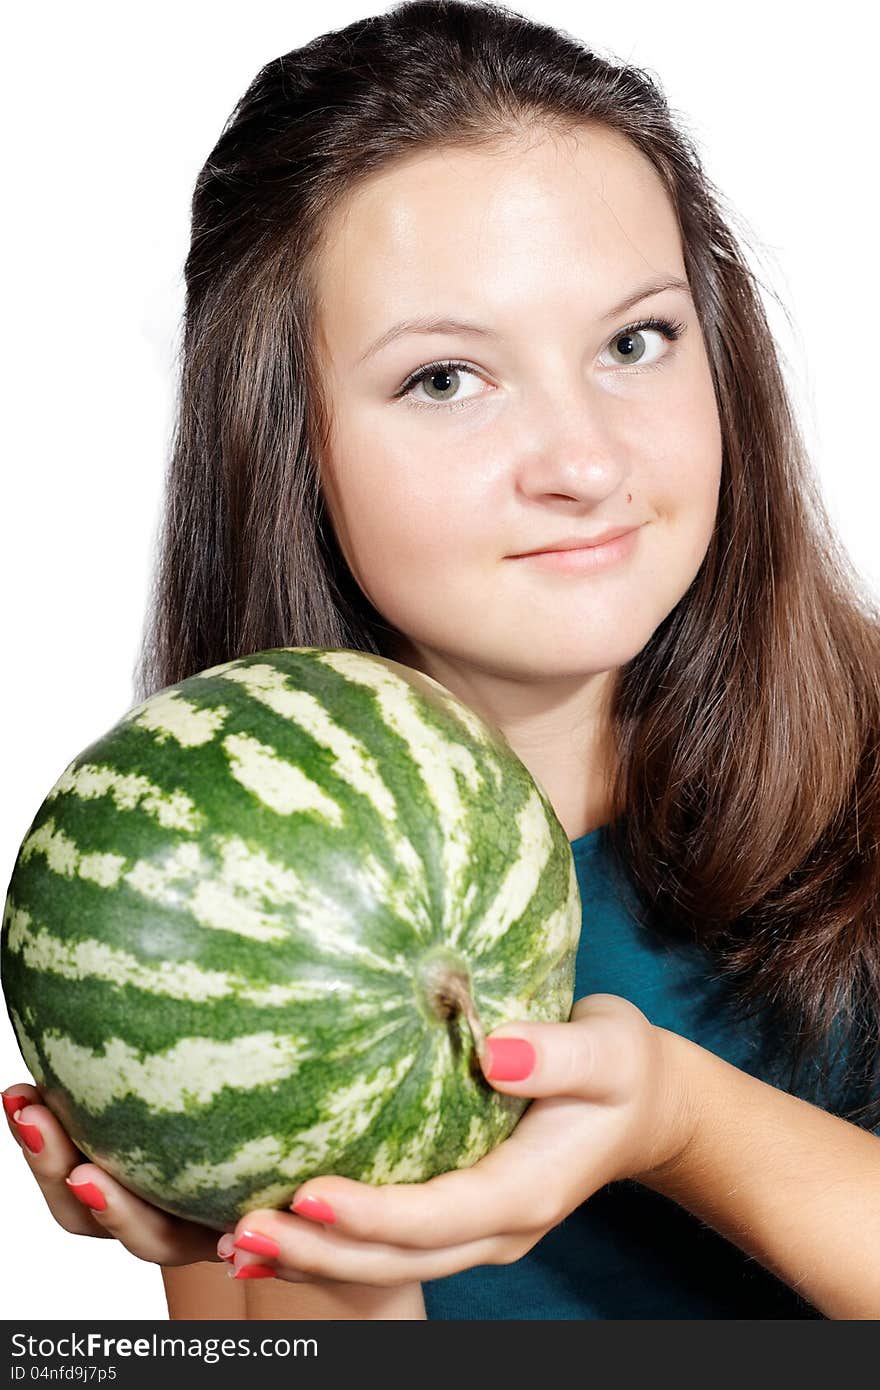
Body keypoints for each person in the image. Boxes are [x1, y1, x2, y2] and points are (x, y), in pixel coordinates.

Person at [4, 0, 879, 1320]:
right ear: (287, 440)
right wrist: (295, 1245)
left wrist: (682, 1121)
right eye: (446, 380)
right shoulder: (212, 899)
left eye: (636, 340)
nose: (584, 464)